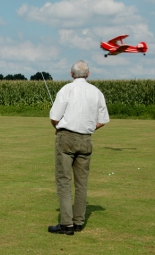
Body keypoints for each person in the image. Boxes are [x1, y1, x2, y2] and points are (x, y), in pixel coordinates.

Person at [48, 60, 110, 235]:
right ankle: (78, 222)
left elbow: (54, 117)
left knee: (64, 181)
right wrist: (88, 128)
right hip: (86, 139)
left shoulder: (66, 90)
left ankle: (66, 224)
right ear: (88, 74)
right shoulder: (96, 92)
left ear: (71, 73)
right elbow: (103, 120)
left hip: (66, 137)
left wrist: (58, 129)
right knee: (81, 183)